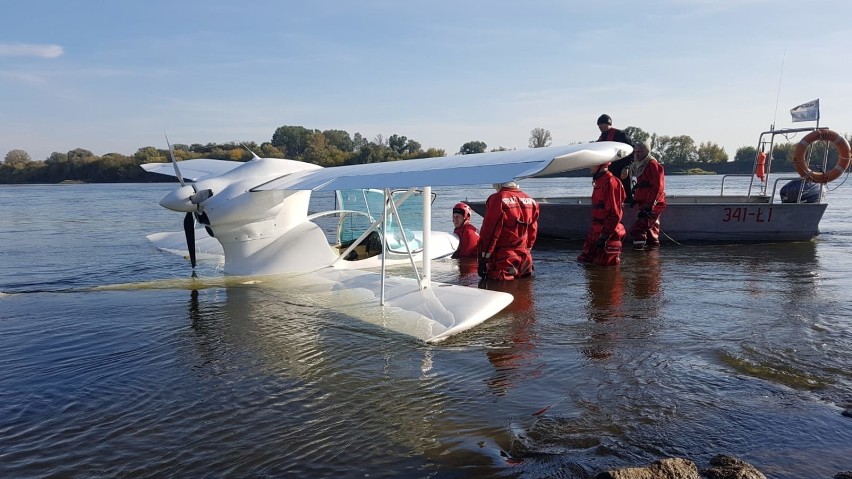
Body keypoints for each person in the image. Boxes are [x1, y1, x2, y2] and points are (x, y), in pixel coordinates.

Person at [478, 181, 539, 281]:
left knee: (500, 293)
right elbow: (533, 231)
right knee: (525, 294)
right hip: (525, 259)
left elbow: (490, 232)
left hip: (503, 260)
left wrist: (483, 259)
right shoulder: (531, 200)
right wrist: (527, 250)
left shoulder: (498, 199)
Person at [577, 162, 626, 266]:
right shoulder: (599, 182)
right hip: (596, 231)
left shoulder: (611, 182)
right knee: (584, 261)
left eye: (593, 163)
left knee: (606, 268)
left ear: (600, 165)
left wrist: (604, 236)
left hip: (608, 233)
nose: (590, 167)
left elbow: (614, 214)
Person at [628, 139, 666, 249]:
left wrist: (649, 207)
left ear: (646, 151)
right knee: (651, 231)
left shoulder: (653, 165)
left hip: (653, 205)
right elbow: (642, 186)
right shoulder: (640, 165)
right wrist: (635, 200)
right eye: (635, 152)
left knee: (637, 229)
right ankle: (651, 258)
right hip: (643, 204)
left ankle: (639, 257)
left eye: (640, 152)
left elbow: (657, 187)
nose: (637, 154)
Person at [596, 114, 634, 202]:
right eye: (598, 125)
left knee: (626, 193)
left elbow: (632, 150)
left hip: (623, 169)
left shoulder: (620, 135)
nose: (600, 126)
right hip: (610, 171)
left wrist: (627, 167)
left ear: (609, 124)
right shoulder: (601, 139)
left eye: (602, 124)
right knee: (612, 195)